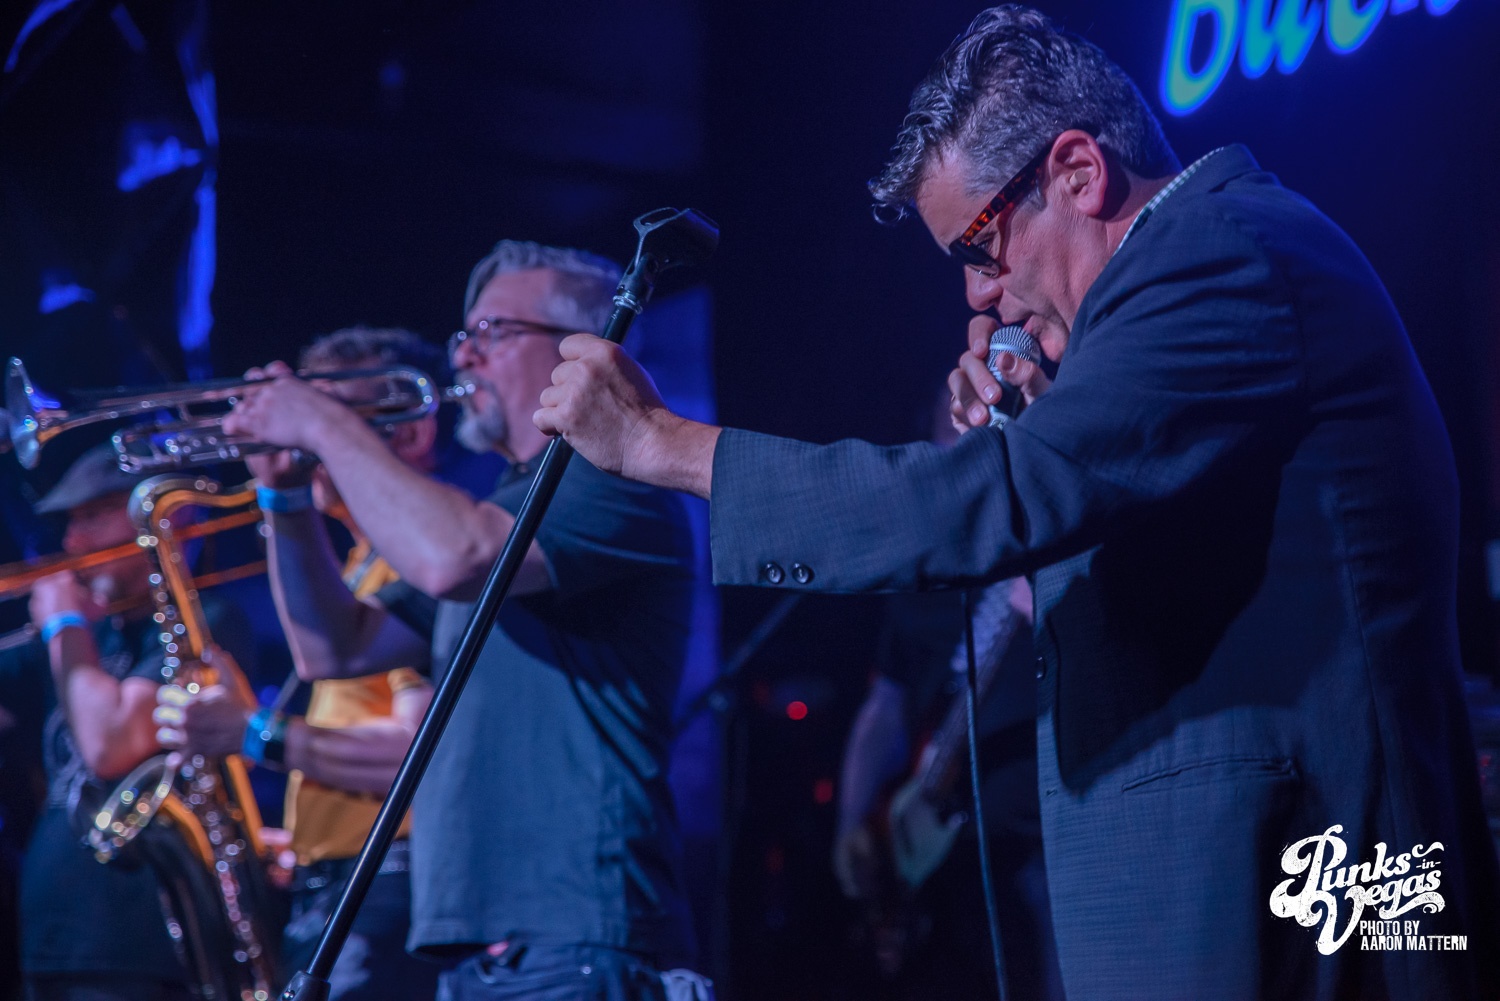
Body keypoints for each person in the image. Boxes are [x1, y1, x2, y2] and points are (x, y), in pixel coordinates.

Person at [532, 6, 1500, 999]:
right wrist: (1046, 415)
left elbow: (988, 499)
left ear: (1077, 172)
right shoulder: (1197, 269)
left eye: (980, 247)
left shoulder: (1221, 250)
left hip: (1304, 875)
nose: (978, 294)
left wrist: (665, 444)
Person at [220, 242, 710, 1001]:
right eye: (464, 335)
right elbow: (334, 647)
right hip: (484, 941)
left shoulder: (611, 480)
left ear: (581, 350)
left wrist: (323, 423)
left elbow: (456, 557)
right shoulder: (506, 504)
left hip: (579, 928)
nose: (464, 356)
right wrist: (283, 498)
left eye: (493, 331)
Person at [153, 328, 445, 1001]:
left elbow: (417, 753)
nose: (300, 435)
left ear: (409, 431)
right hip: (344, 876)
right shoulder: (361, 563)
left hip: (391, 879)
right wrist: (307, 836)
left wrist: (255, 732)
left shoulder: (419, 562)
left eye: (326, 418)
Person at [10, 443, 258, 1001]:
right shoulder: (87, 635)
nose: (73, 542)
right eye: (70, 522)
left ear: (167, 518)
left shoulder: (204, 623)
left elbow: (112, 745)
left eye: (94, 516)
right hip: (52, 939)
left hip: (136, 939)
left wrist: (64, 624)